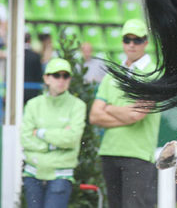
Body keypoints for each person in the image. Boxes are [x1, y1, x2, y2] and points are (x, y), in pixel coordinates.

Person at [89, 19, 161, 208]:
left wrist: (110, 108)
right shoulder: (113, 73)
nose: (131, 44)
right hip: (110, 151)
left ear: (146, 42)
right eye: (127, 39)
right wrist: (126, 115)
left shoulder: (152, 74)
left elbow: (136, 115)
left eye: (137, 40)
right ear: (122, 41)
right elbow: (94, 116)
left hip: (138, 154)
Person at [21, 58, 86, 208]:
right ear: (46, 78)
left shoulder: (78, 106)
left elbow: (72, 138)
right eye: (56, 75)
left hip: (61, 175)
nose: (61, 80)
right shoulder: (33, 104)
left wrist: (41, 133)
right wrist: (56, 142)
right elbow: (25, 138)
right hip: (33, 174)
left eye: (66, 76)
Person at [23, 32, 43, 105]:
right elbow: (39, 74)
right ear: (29, 40)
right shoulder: (35, 56)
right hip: (32, 90)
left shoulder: (14, 55)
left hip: (16, 90)